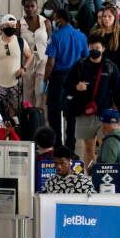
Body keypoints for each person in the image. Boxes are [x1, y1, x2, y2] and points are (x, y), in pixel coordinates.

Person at [65, 34, 120, 169]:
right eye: (91, 47)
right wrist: (77, 87)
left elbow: (118, 91)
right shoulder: (79, 65)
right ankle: (91, 176)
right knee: (88, 147)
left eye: (97, 47)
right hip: (84, 113)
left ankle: (105, 173)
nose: (94, 50)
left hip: (104, 114)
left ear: (103, 49)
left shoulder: (110, 67)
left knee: (106, 145)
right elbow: (66, 85)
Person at [44, 8, 89, 150]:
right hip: (75, 78)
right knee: (72, 114)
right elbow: (85, 58)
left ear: (60, 19)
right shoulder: (81, 36)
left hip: (59, 78)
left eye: (55, 18)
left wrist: (45, 79)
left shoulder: (55, 36)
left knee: (54, 113)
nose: (54, 21)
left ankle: (57, 146)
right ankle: (71, 147)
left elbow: (50, 62)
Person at [0, 14, 33, 121]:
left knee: (15, 112)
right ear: (2, 26)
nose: (11, 28)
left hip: (15, 84)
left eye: (13, 26)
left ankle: (15, 132)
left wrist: (24, 68)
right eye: (8, 25)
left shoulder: (20, 41)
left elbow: (29, 55)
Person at [20, 0, 51, 114]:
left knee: (40, 91)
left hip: (43, 60)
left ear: (37, 6)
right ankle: (28, 116)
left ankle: (39, 115)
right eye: (27, 6)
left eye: (32, 6)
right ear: (24, 8)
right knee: (27, 91)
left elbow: (51, 42)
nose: (30, 9)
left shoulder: (46, 22)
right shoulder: (20, 24)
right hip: (27, 62)